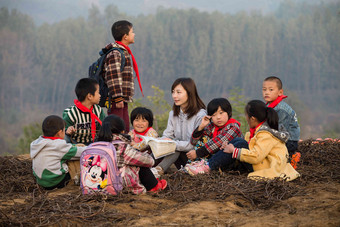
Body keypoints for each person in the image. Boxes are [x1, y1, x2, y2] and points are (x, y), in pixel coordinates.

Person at [222, 100, 300, 181]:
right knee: (238, 141)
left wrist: (234, 151)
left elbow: (256, 157)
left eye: (246, 115)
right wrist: (228, 147)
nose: (246, 118)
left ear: (252, 119)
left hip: (268, 167)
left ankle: (211, 166)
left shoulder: (265, 134)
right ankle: (213, 163)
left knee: (240, 144)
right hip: (265, 162)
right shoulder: (260, 130)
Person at [96, 115, 167, 194]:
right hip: (118, 185)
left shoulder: (96, 144)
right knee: (139, 162)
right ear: (122, 131)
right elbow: (149, 161)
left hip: (97, 183)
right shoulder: (121, 147)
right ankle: (154, 186)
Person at [151, 78, 206, 177]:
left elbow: (193, 145)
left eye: (178, 92)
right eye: (173, 92)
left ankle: (158, 170)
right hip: (177, 157)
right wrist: (161, 141)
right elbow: (167, 135)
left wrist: (172, 143)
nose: (174, 96)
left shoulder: (200, 115)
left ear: (189, 93)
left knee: (175, 148)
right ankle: (143, 166)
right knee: (161, 145)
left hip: (194, 158)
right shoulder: (173, 114)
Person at [184, 98, 243, 175]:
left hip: (229, 161)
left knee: (214, 143)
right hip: (213, 158)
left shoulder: (234, 127)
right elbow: (193, 142)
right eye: (214, 115)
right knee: (204, 138)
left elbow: (218, 142)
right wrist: (201, 127)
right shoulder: (212, 126)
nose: (218, 117)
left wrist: (197, 153)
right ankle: (194, 165)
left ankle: (203, 167)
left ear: (228, 112)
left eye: (221, 113)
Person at [103, 20, 143, 132]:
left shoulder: (123, 51)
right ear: (125, 36)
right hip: (117, 100)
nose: (134, 34)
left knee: (124, 127)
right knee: (117, 128)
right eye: (132, 32)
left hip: (122, 99)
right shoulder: (115, 53)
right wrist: (118, 97)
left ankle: (122, 147)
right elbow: (113, 76)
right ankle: (115, 148)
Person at [30, 115, 87, 190]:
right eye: (64, 130)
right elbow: (82, 151)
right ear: (60, 133)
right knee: (77, 155)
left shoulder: (36, 143)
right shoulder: (58, 145)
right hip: (56, 182)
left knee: (68, 153)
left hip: (41, 181)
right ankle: (77, 180)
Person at [262, 76, 301, 168]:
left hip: (289, 140)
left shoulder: (281, 109)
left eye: (271, 90)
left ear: (280, 92)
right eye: (264, 90)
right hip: (280, 135)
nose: (267, 92)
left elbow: (281, 132)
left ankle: (292, 157)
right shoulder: (271, 105)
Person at [63, 78, 106, 145]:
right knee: (64, 138)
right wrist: (68, 131)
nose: (100, 96)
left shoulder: (98, 110)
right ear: (90, 96)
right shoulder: (71, 114)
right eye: (98, 93)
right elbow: (64, 131)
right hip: (75, 143)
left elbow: (101, 128)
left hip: (92, 142)